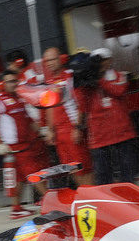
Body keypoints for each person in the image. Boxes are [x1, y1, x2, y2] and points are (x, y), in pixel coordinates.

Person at [0, 70, 48, 218]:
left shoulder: (19, 98)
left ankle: (16, 208)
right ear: (1, 84)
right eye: (10, 81)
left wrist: (41, 131)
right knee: (34, 173)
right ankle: (50, 202)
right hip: (14, 148)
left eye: (15, 80)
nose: (14, 84)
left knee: (18, 178)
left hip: (26, 145)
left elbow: (27, 120)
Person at [75, 50, 138, 185]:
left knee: (127, 168)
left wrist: (99, 80)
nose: (102, 64)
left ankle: (130, 194)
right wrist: (82, 85)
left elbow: (119, 91)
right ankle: (106, 199)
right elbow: (83, 106)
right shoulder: (87, 81)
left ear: (109, 60)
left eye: (104, 60)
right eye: (98, 61)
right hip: (99, 134)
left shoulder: (119, 76)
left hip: (121, 131)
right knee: (103, 173)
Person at [32, 47, 94, 185]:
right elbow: (49, 107)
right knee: (70, 168)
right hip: (59, 134)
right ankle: (83, 197)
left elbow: (81, 103)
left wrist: (77, 127)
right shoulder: (49, 82)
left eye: (52, 59)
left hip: (72, 129)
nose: (49, 63)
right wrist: (49, 130)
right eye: (46, 61)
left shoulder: (71, 77)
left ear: (61, 59)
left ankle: (92, 196)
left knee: (83, 166)